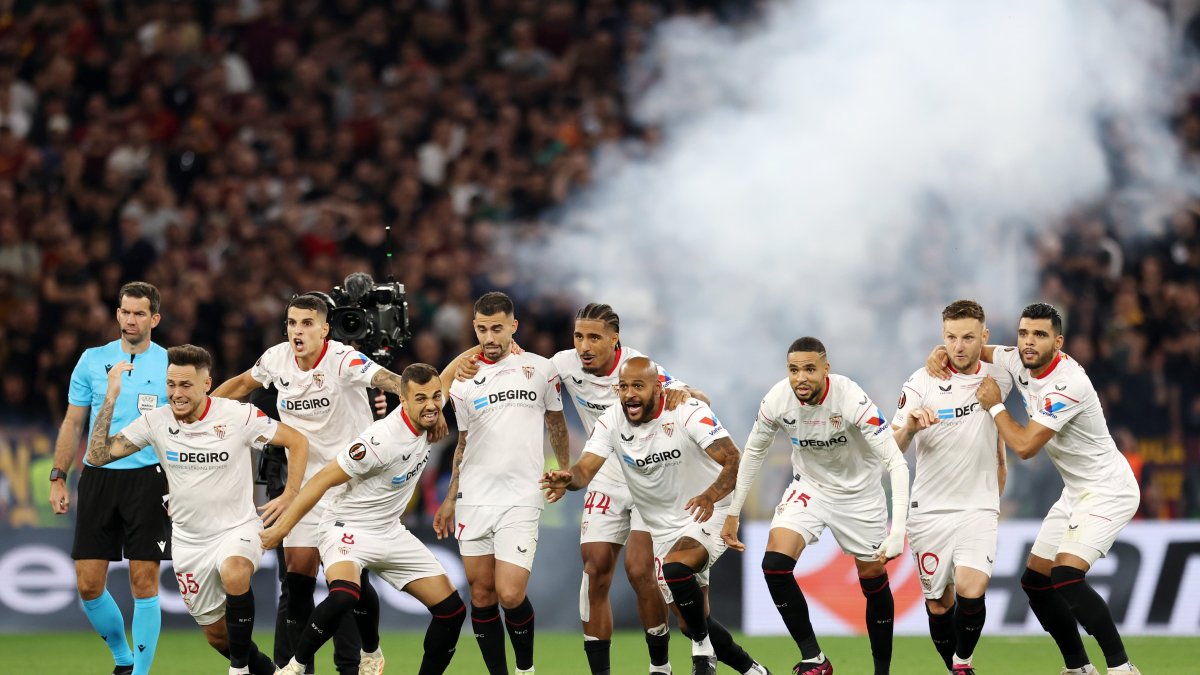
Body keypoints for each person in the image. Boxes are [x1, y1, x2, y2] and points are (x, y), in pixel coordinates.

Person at [457, 301, 705, 675]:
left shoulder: (640, 367)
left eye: (594, 337)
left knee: (640, 570)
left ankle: (662, 665)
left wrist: (685, 395)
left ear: (615, 339)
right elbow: (512, 359)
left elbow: (701, 399)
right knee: (595, 568)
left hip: (650, 478)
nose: (584, 346)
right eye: (578, 336)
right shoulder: (563, 364)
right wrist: (466, 359)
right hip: (603, 476)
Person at [927, 302, 1142, 675]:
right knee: (1035, 582)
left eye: (1039, 335)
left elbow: (1026, 447)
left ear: (1057, 342)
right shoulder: (1016, 358)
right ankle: (1078, 667)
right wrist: (941, 351)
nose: (1029, 342)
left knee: (1067, 576)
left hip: (1109, 488)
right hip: (1077, 490)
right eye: (1024, 333)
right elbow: (975, 347)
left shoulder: (1068, 383)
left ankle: (1122, 668)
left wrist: (996, 407)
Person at [213, 293, 421, 674]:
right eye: (292, 323)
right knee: (297, 583)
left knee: (346, 585)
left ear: (325, 330)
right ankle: (297, 668)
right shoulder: (276, 359)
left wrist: (417, 397)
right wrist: (201, 410)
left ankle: (359, 661)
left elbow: (384, 378)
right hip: (305, 486)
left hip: (349, 487)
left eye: (307, 323)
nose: (297, 331)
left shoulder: (343, 359)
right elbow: (242, 384)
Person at [85, 344, 310, 675]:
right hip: (190, 544)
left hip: (237, 528)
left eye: (186, 385)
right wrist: (110, 397)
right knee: (218, 637)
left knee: (235, 572)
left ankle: (238, 670)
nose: (176, 394)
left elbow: (297, 441)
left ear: (207, 384)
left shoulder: (237, 416)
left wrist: (291, 494)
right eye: (171, 384)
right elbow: (98, 455)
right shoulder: (156, 421)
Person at [541, 356, 769, 675]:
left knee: (676, 569)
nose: (629, 394)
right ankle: (752, 669)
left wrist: (711, 495)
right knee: (689, 621)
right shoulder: (611, 422)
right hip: (661, 528)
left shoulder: (687, 411)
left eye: (638, 386)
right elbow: (585, 470)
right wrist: (570, 479)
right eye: (623, 387)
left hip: (706, 512)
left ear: (659, 389)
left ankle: (702, 655)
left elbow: (734, 459)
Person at [720, 337, 910, 675]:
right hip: (810, 488)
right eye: (794, 370)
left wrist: (898, 532)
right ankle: (815, 659)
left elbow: (896, 463)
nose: (800, 378)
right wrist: (734, 511)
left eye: (809, 369)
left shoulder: (851, 398)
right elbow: (753, 454)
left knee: (872, 578)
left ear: (826, 369)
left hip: (860, 496)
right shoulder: (777, 400)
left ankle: (882, 671)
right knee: (774, 565)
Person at [264, 363, 465, 675]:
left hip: (389, 530)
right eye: (421, 398)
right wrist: (283, 527)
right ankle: (295, 666)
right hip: (347, 527)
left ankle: (373, 653)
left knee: (451, 611)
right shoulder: (379, 441)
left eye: (435, 398)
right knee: (345, 595)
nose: (431, 405)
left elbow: (448, 375)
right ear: (403, 399)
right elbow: (320, 481)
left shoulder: (431, 413)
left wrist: (485, 348)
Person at [433, 291, 570, 675]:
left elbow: (556, 423)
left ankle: (525, 668)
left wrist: (565, 469)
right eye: (481, 329)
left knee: (510, 594)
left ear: (514, 326)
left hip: (522, 495)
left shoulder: (540, 369)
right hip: (474, 496)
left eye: (497, 328)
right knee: (481, 594)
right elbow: (462, 442)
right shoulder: (463, 381)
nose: (489, 337)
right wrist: (450, 496)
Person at [49, 281, 170, 675]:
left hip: (148, 479)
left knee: (144, 580)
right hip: (98, 477)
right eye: (124, 311)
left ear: (154, 318)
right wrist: (57, 475)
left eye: (139, 313)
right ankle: (123, 658)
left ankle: (139, 673)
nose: (130, 319)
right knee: (87, 585)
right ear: (117, 313)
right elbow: (73, 421)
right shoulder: (91, 360)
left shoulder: (170, 363)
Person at [891, 300, 1010, 675]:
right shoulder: (920, 382)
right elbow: (889, 449)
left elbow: (1040, 356)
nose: (958, 346)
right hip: (928, 512)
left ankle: (962, 663)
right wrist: (909, 427)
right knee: (940, 606)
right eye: (951, 338)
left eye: (968, 338)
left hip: (978, 508)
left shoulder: (999, 376)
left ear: (983, 337)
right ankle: (955, 669)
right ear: (942, 337)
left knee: (972, 592)